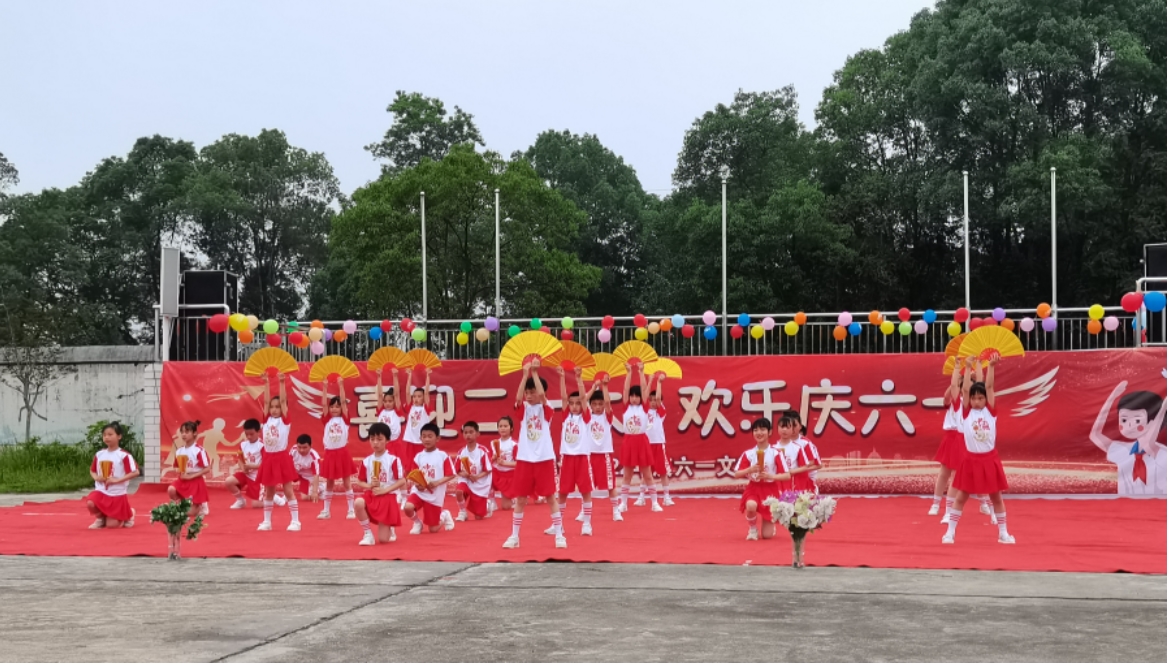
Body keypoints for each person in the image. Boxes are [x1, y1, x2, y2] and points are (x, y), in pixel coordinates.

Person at [943, 357, 1014, 545]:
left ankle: (1003, 534)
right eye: (973, 398)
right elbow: (965, 389)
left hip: (989, 460)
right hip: (970, 460)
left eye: (980, 398)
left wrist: (991, 367)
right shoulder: (966, 412)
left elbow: (989, 386)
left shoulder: (991, 411)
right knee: (961, 497)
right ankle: (950, 533)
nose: (976, 401)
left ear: (986, 399)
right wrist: (967, 368)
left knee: (996, 497)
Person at [503, 360, 565, 549]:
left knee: (550, 497)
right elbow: (518, 398)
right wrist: (524, 375)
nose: (529, 396)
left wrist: (535, 373)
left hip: (544, 458)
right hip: (525, 459)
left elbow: (543, 396)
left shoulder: (547, 409)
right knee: (521, 499)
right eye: (527, 393)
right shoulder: (524, 409)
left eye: (532, 392)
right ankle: (514, 536)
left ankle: (559, 534)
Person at [1090, 381, 1167, 495]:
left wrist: (1163, 407)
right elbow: (1095, 435)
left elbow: (1148, 442)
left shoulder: (1162, 453)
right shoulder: (1121, 449)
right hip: (1125, 503)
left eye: (1137, 420)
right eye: (1124, 420)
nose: (1130, 425)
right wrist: (1112, 398)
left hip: (1158, 503)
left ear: (1152, 422)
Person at [552, 366, 594, 536]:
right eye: (572, 403)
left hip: (582, 457)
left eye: (578, 404)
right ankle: (558, 524)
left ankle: (587, 524)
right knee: (562, 492)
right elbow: (563, 397)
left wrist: (579, 379)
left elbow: (584, 398)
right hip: (567, 458)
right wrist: (562, 377)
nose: (575, 406)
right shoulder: (565, 416)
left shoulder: (586, 417)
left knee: (585, 491)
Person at [257, 373, 302, 532]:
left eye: (278, 407)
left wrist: (282, 382)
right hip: (268, 458)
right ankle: (267, 522)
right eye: (272, 407)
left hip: (282, 457)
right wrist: (266, 382)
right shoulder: (266, 419)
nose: (275, 409)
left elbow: (283, 401)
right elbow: (266, 401)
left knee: (288, 491)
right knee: (269, 492)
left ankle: (296, 521)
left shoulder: (285, 420)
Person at [734, 418, 790, 541]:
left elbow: (787, 475)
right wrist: (749, 470)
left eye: (763, 429)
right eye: (755, 430)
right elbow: (736, 474)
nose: (759, 433)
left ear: (769, 432)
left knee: (767, 536)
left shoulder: (776, 453)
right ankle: (752, 529)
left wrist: (770, 476)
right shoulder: (748, 453)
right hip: (754, 488)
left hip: (770, 490)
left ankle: (770, 523)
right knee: (751, 505)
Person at [354, 422, 405, 546]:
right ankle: (368, 534)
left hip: (387, 497)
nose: (375, 442)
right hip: (372, 495)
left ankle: (390, 528)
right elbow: (359, 481)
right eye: (372, 439)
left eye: (379, 439)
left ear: (387, 440)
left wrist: (385, 490)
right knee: (358, 503)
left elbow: (402, 480)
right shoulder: (367, 461)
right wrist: (370, 486)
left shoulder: (393, 460)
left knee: (383, 540)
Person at [617, 363, 658, 513]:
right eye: (632, 396)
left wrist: (641, 372)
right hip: (629, 441)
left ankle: (654, 503)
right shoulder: (626, 407)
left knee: (647, 474)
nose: (634, 398)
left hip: (642, 441)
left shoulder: (644, 407)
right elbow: (625, 390)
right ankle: (623, 503)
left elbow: (644, 389)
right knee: (627, 475)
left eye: (637, 396)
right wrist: (628, 373)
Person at [404, 423, 456, 534]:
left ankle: (445, 515)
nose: (426, 439)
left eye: (430, 436)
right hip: (419, 492)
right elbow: (414, 475)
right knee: (408, 507)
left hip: (435, 495)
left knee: (433, 529)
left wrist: (437, 482)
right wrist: (417, 484)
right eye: (424, 436)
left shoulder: (442, 455)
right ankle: (417, 523)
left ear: (437, 438)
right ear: (420, 438)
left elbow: (451, 474)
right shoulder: (418, 457)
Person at [86, 421, 139, 529]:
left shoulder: (124, 455)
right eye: (104, 435)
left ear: (119, 436)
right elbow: (92, 470)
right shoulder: (100, 454)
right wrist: (96, 478)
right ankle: (100, 518)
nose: (107, 437)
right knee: (90, 502)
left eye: (110, 434)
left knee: (112, 526)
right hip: (101, 491)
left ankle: (129, 514)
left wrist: (117, 480)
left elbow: (135, 472)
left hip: (117, 494)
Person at [318, 378, 356, 520]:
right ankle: (326, 510)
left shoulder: (345, 419)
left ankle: (351, 510)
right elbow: (323, 404)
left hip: (342, 453)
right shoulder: (327, 419)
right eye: (332, 406)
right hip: (330, 453)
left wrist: (341, 385)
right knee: (329, 483)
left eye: (337, 406)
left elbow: (344, 402)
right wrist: (324, 387)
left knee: (347, 482)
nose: (334, 409)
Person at [585, 377, 621, 521]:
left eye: (600, 404)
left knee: (610, 485)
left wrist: (605, 386)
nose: (598, 407)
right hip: (589, 454)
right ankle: (583, 511)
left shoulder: (607, 417)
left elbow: (607, 403)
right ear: (591, 406)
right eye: (594, 404)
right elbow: (583, 401)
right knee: (586, 485)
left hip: (604, 454)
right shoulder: (587, 417)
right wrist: (594, 387)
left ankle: (616, 510)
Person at [640, 372, 673, 506]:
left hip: (659, 444)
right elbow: (644, 395)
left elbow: (659, 399)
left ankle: (666, 497)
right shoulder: (644, 410)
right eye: (651, 400)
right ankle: (641, 497)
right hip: (646, 445)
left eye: (655, 400)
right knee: (646, 473)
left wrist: (659, 383)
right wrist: (649, 381)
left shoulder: (661, 412)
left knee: (663, 472)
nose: (653, 402)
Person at [375, 367, 406, 504]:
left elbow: (397, 394)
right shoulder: (381, 410)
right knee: (384, 469)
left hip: (395, 444)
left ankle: (404, 496)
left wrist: (395, 376)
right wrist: (379, 377)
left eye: (390, 401)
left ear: (394, 402)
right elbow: (379, 395)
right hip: (383, 445)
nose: (387, 403)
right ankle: (389, 491)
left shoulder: (397, 411)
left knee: (398, 470)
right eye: (386, 401)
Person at [168, 420, 211, 517]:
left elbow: (207, 468)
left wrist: (191, 476)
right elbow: (176, 467)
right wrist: (181, 472)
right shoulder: (179, 451)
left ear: (195, 433)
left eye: (187, 432)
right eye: (182, 432)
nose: (184, 434)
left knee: (189, 514)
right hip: (183, 480)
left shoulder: (199, 450)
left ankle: (201, 505)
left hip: (196, 481)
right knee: (171, 489)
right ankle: (183, 503)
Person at [454, 421, 493, 521]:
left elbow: (488, 470)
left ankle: (486, 505)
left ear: (477, 434)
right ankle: (462, 512)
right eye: (465, 432)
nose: (468, 435)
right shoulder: (461, 452)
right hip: (466, 480)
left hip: (480, 482)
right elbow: (457, 470)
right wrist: (465, 474)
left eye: (471, 432)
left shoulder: (483, 451)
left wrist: (477, 477)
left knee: (479, 517)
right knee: (459, 491)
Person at [398, 368, 434, 474]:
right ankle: (407, 480)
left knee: (422, 462)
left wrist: (428, 376)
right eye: (414, 397)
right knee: (409, 463)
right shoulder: (410, 407)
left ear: (423, 398)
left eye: (419, 396)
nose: (416, 399)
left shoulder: (425, 408)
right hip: (411, 439)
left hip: (421, 439)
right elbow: (407, 392)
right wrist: (409, 376)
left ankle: (423, 477)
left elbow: (427, 393)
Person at [773, 416, 820, 493]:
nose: (784, 430)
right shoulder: (773, 448)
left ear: (792, 430)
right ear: (777, 428)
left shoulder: (798, 447)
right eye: (782, 427)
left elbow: (805, 467)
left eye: (788, 427)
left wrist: (792, 471)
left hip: (794, 483)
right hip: (778, 484)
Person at [226, 419, 264, 509]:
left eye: (251, 434)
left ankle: (271, 496)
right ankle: (240, 500)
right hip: (246, 474)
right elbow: (240, 459)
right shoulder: (243, 444)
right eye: (247, 434)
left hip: (258, 477)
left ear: (258, 432)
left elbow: (267, 464)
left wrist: (252, 466)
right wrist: (243, 468)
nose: (249, 437)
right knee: (229, 481)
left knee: (256, 505)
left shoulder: (262, 445)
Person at [490, 416, 518, 511]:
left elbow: (519, 464)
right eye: (500, 426)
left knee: (506, 507)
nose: (503, 428)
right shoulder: (493, 443)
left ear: (511, 428)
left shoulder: (514, 444)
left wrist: (504, 463)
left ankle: (514, 498)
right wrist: (493, 458)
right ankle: (492, 501)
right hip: (497, 473)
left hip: (509, 476)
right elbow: (487, 461)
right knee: (485, 476)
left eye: (505, 426)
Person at [290, 434, 322, 503]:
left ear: (310, 446)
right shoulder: (293, 450)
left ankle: (321, 487)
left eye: (305, 447)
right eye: (299, 447)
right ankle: (287, 494)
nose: (301, 450)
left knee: (304, 498)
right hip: (297, 473)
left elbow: (316, 475)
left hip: (308, 478)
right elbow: (288, 463)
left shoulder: (314, 457)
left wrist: (314, 492)